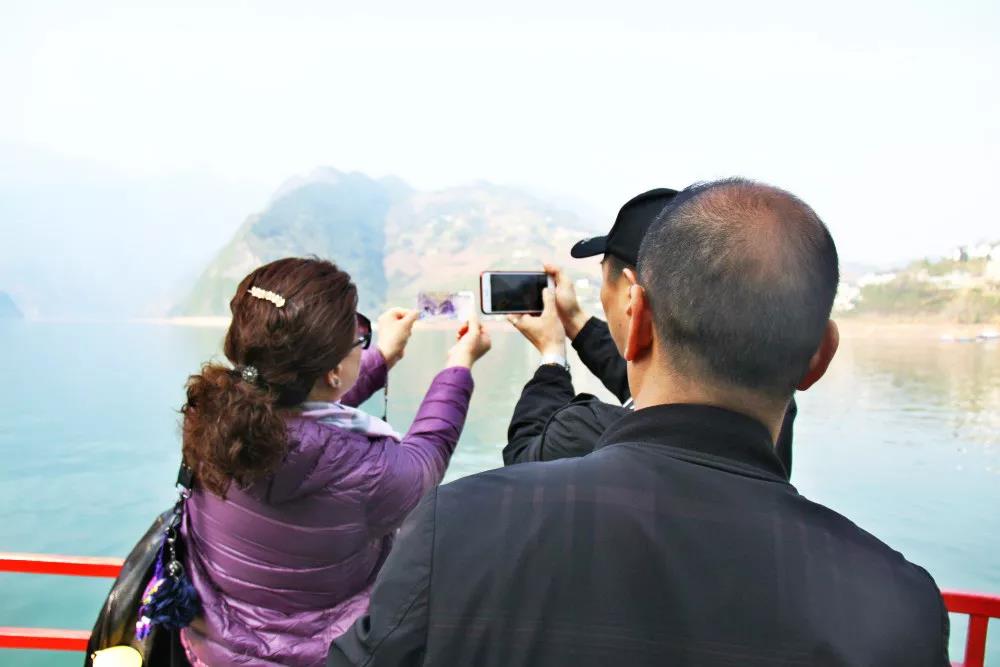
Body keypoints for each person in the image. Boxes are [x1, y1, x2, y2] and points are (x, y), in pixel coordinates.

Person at [328, 179, 949, 667]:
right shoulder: (899, 607)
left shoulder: (458, 528)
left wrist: (560, 344)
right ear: (820, 355)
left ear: (637, 314)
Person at [178, 257, 491, 667]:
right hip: (318, 657)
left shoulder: (214, 415)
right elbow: (425, 459)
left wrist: (380, 357)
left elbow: (300, 406)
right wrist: (459, 366)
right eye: (356, 337)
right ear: (331, 372)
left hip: (214, 649)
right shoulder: (359, 467)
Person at [504, 188, 796, 470]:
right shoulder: (770, 414)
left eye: (605, 278)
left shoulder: (584, 436)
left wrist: (552, 358)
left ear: (632, 302)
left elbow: (522, 458)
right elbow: (657, 371)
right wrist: (576, 323)